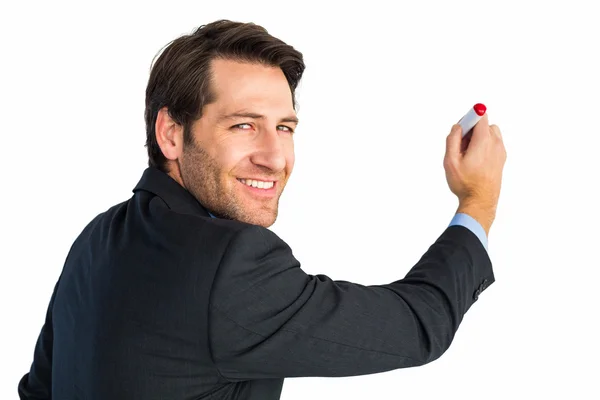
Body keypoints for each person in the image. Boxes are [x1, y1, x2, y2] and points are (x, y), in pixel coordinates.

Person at [18, 19, 507, 400]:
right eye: (244, 126)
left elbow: (40, 390)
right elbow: (417, 326)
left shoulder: (98, 237)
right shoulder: (229, 265)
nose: (275, 156)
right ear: (170, 133)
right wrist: (476, 201)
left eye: (286, 127)